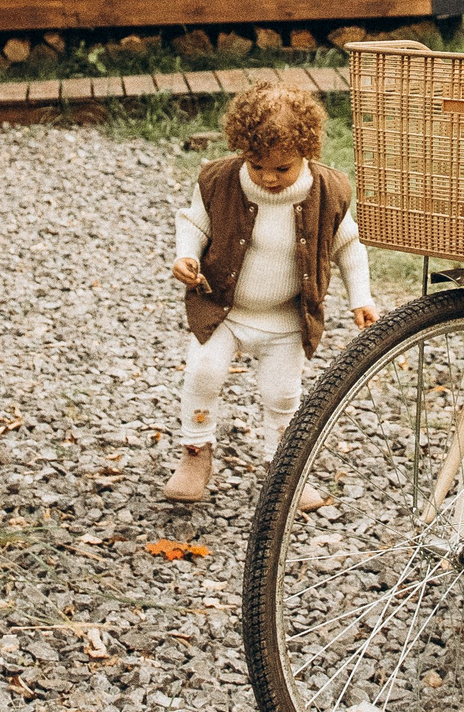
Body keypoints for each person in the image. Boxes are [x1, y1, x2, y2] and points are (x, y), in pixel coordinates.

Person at [162, 82, 379, 504]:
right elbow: (193, 223)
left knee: (282, 394)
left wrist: (362, 298)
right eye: (256, 164)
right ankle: (195, 451)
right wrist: (186, 256)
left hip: (286, 317)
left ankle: (284, 470)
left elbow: (349, 246)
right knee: (203, 373)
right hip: (224, 309)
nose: (268, 177)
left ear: (307, 152)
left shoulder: (328, 192)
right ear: (241, 149)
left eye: (283, 169)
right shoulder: (218, 181)